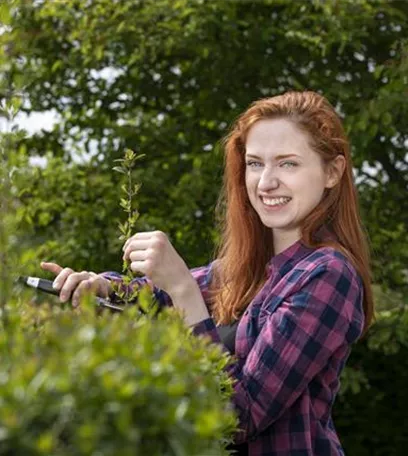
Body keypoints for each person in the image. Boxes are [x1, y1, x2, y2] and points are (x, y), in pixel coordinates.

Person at [41, 90, 373, 455]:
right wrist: (99, 286)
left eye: (288, 164)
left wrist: (183, 289)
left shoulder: (327, 274)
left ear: (332, 172)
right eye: (255, 163)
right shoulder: (244, 270)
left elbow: (237, 417)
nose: (265, 182)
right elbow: (154, 296)